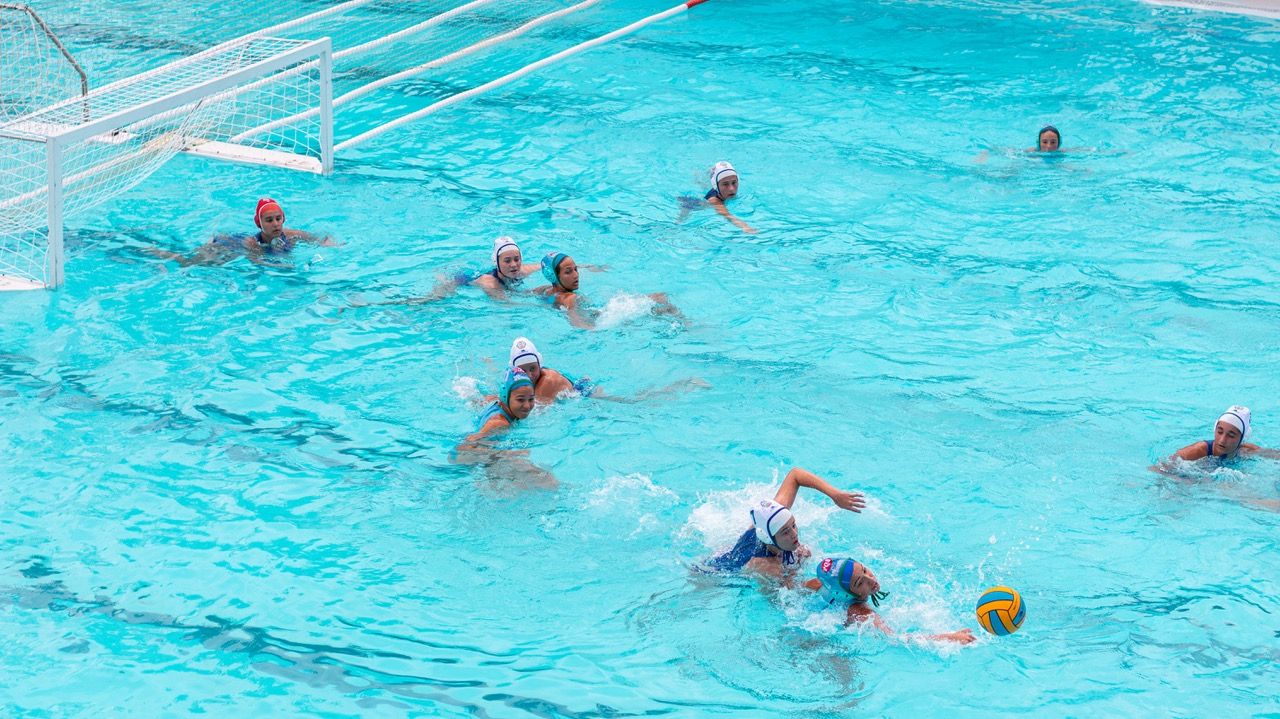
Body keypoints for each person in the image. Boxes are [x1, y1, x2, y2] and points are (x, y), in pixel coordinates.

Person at [704, 467, 865, 577]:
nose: (794, 534)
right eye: (786, 532)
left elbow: (795, 474)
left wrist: (834, 494)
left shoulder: (772, 518)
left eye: (793, 525)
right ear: (769, 538)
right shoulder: (768, 567)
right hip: (712, 575)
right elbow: (787, 601)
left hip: (735, 553)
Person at [804, 557, 976, 644]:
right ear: (847, 594)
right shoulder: (861, 612)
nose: (871, 579)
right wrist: (949, 637)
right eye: (860, 583)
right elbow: (895, 639)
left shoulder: (818, 584)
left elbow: (797, 587)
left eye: (865, 570)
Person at [507, 336, 708, 404]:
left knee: (634, 403)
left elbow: (536, 412)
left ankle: (685, 384)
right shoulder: (522, 380)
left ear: (540, 364)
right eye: (524, 370)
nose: (530, 374)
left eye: (533, 368)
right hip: (578, 388)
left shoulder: (547, 381)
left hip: (586, 396)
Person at [150, 198, 334, 267]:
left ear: (283, 218)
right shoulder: (252, 243)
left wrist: (329, 243)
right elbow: (257, 261)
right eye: (269, 220)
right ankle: (155, 253)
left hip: (234, 242)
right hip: (227, 245)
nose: (275, 224)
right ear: (259, 224)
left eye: (278, 218)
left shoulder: (292, 234)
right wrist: (281, 266)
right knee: (187, 262)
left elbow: (321, 238)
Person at [452, 367, 555, 488]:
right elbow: (459, 452)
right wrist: (505, 454)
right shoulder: (499, 423)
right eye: (520, 400)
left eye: (531, 399)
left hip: (491, 456)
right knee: (546, 480)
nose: (527, 406)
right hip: (486, 463)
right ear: (505, 398)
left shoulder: (496, 401)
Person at [535, 252, 684, 329]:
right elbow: (574, 317)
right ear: (554, 276)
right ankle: (688, 325)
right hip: (606, 318)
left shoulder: (545, 290)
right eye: (568, 272)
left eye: (576, 269)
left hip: (597, 314)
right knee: (661, 298)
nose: (576, 275)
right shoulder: (570, 298)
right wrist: (589, 330)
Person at [1159, 405, 1280, 465]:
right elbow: (1162, 467)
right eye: (1220, 431)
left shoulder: (1246, 450)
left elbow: (1275, 455)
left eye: (1231, 435)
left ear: (1242, 438)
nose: (1222, 440)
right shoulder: (1199, 450)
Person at [678, 161, 757, 234]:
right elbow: (727, 215)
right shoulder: (714, 200)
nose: (731, 188)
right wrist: (744, 226)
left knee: (702, 184)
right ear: (716, 186)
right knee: (680, 222)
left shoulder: (724, 190)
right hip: (692, 204)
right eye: (725, 184)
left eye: (734, 182)